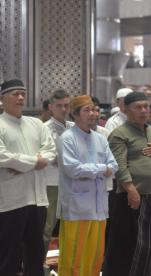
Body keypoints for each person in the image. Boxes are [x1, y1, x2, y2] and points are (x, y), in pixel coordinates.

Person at [105, 92, 151, 276]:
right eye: (138, 107)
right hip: (135, 196)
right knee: (138, 245)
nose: (143, 111)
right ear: (126, 109)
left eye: (145, 106)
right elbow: (119, 165)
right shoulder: (119, 134)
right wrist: (131, 190)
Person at [56, 95, 118, 276]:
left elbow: (114, 166)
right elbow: (73, 169)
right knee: (74, 256)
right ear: (75, 114)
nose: (93, 114)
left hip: (99, 208)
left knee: (95, 256)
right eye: (87, 110)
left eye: (95, 109)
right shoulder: (67, 138)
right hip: (76, 208)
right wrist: (101, 169)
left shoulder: (101, 138)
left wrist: (98, 170)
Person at [0, 79, 56, 276]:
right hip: (11, 201)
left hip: (37, 199)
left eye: (23, 93)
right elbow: (2, 156)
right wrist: (34, 163)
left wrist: (22, 165)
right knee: (9, 253)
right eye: (15, 94)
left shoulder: (36, 124)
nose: (21, 97)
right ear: (2, 99)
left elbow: (50, 150)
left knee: (35, 252)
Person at [43, 89, 74, 261]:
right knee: (48, 227)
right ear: (51, 107)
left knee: (70, 226)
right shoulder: (44, 128)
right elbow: (51, 158)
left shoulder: (73, 127)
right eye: (59, 106)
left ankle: (67, 262)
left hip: (73, 183)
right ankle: (39, 265)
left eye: (66, 106)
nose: (64, 109)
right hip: (52, 183)